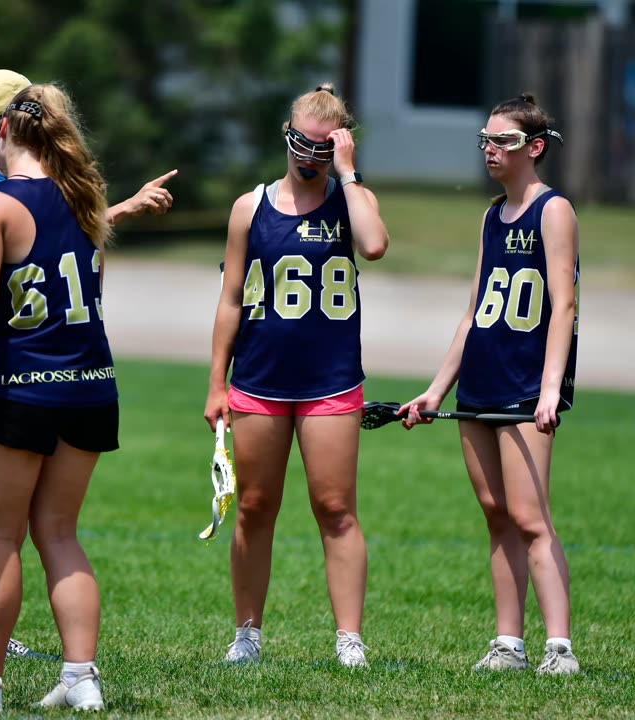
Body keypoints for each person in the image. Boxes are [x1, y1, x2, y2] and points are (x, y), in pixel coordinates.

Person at [0, 68, 176, 663]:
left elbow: (10, 270)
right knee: (28, 529)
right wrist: (112, 210)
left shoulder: (5, 192)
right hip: (56, 372)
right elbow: (43, 249)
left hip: (15, 373)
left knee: (1, 529)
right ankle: (45, 658)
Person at [0, 81, 130, 713]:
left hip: (19, 389)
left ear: (4, 131)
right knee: (61, 534)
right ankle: (81, 678)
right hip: (92, 386)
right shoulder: (85, 197)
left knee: (2, 537)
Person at [203, 82, 389, 668]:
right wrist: (216, 381)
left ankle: (349, 640)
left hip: (331, 381)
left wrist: (350, 174)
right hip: (258, 379)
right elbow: (232, 296)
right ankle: (247, 635)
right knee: (256, 505)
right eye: (301, 145)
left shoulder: (350, 198)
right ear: (286, 137)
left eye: (324, 149)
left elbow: (375, 245)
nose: (310, 159)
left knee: (335, 507)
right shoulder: (249, 207)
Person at [399, 94, 581, 676]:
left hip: (528, 385)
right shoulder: (489, 216)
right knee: (496, 514)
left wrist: (551, 389)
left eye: (502, 141)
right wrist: (436, 390)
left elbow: (564, 305)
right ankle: (509, 644)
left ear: (534, 147)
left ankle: (559, 648)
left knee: (532, 518)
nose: (489, 149)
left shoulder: (554, 211)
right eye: (486, 138)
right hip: (481, 381)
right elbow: (474, 309)